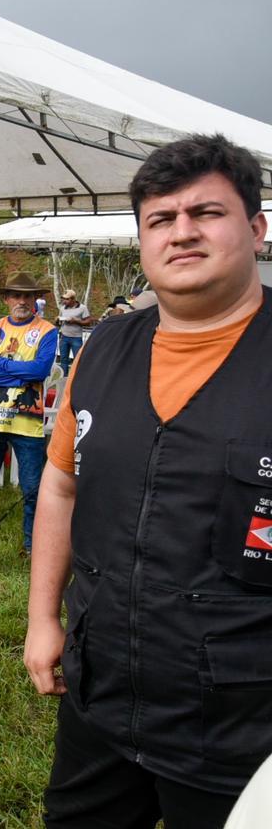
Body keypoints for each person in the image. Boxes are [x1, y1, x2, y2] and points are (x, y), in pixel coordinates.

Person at [25, 134, 272, 828]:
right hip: (101, 695)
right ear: (141, 242)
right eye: (161, 220)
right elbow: (62, 485)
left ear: (255, 229)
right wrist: (44, 618)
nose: (182, 232)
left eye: (206, 213)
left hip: (243, 724)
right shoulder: (105, 349)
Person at [0, 271, 57, 556]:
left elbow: (40, 370)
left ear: (35, 300)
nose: (22, 301)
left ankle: (32, 542)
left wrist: (1, 367)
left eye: (28, 296)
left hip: (27, 422)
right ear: (6, 299)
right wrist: (20, 373)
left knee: (32, 488)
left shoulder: (47, 331)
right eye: (16, 295)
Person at [55, 289, 93, 376]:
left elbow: (88, 322)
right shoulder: (62, 308)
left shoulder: (82, 308)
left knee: (77, 359)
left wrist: (76, 321)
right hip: (64, 336)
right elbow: (59, 323)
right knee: (63, 359)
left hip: (76, 337)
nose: (64, 301)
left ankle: (76, 378)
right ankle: (63, 378)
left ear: (72, 299)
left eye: (66, 299)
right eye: (63, 299)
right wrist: (57, 320)